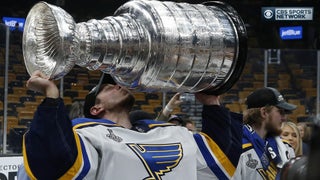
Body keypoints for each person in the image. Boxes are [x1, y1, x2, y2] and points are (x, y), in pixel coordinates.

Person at [20, 70, 243, 179]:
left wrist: (211, 101)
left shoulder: (167, 132)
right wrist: (51, 96)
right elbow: (54, 165)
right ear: (96, 109)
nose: (117, 85)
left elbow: (220, 160)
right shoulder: (88, 134)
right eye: (108, 87)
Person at [232, 87, 296, 180]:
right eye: (280, 112)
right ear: (264, 112)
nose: (284, 118)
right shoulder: (237, 150)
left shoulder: (286, 148)